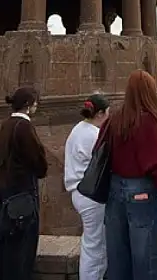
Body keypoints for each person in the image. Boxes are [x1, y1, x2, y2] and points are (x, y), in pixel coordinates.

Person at [102, 70, 157, 280]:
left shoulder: (113, 119)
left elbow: (100, 152)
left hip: (114, 190)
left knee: (118, 255)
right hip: (141, 191)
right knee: (147, 255)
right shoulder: (148, 122)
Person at [0, 87, 48, 280]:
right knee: (21, 245)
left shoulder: (6, 124)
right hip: (22, 190)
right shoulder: (23, 127)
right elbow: (36, 159)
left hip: (5, 188)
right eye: (34, 102)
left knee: (6, 241)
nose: (36, 106)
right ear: (27, 105)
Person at [64, 93, 111, 280]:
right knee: (96, 247)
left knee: (92, 243)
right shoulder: (94, 134)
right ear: (99, 113)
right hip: (91, 195)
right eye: (107, 112)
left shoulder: (78, 129)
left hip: (80, 193)